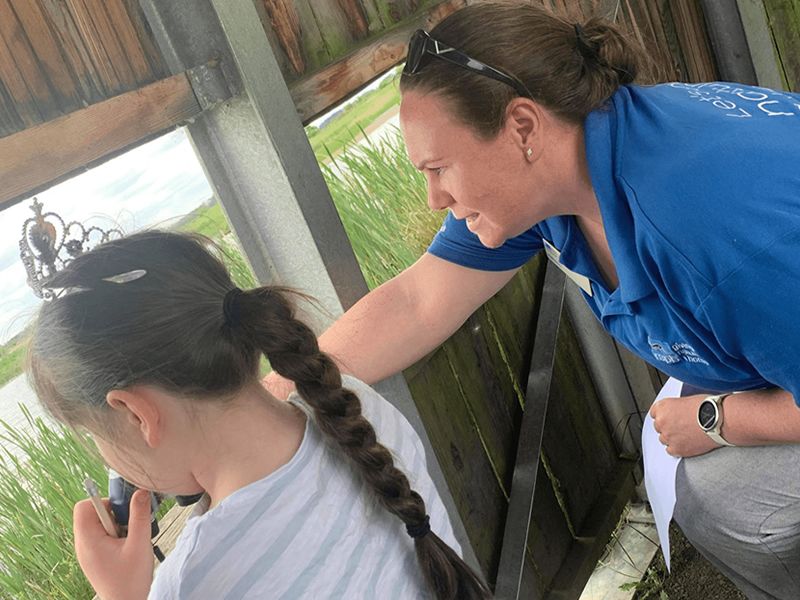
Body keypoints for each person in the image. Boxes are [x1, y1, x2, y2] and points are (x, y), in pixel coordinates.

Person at [264, 2, 800, 598]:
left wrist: (716, 419)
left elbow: (737, 265)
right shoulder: (558, 175)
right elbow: (417, 301)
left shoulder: (707, 232)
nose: (434, 197)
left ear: (522, 127)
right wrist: (271, 396)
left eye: (440, 167)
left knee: (724, 498)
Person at [27, 230, 490, 600]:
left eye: (92, 436)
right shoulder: (356, 408)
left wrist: (119, 596)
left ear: (134, 413)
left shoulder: (196, 580)